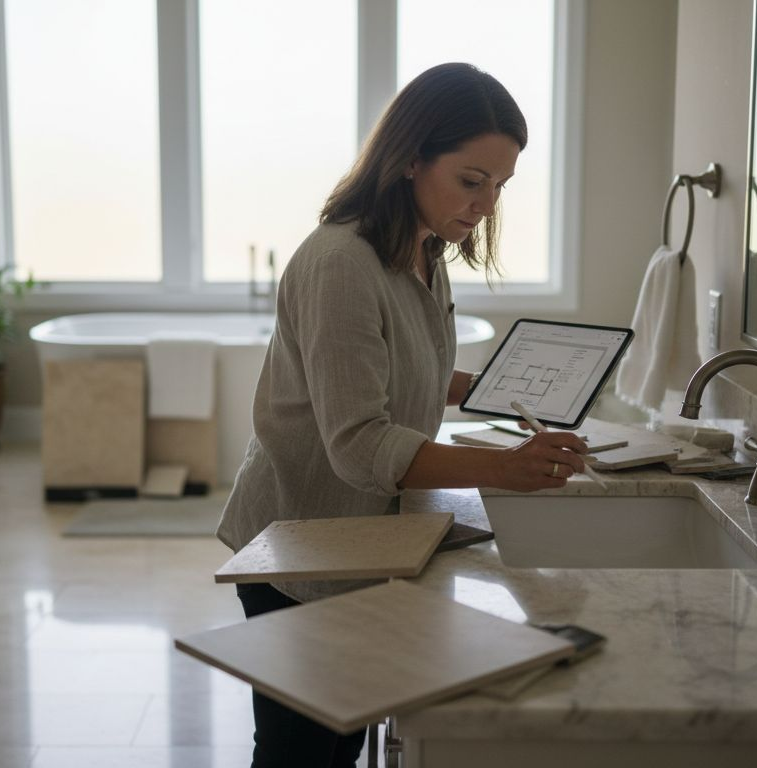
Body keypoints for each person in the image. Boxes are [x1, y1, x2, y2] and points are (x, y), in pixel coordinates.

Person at [216, 62, 590, 768]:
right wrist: (504, 470)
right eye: (472, 180)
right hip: (303, 541)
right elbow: (360, 442)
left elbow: (403, 370)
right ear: (411, 157)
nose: (486, 205)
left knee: (341, 738)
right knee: (303, 753)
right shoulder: (341, 263)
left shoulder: (423, 249)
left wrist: (499, 388)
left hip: (361, 537)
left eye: (501, 185)